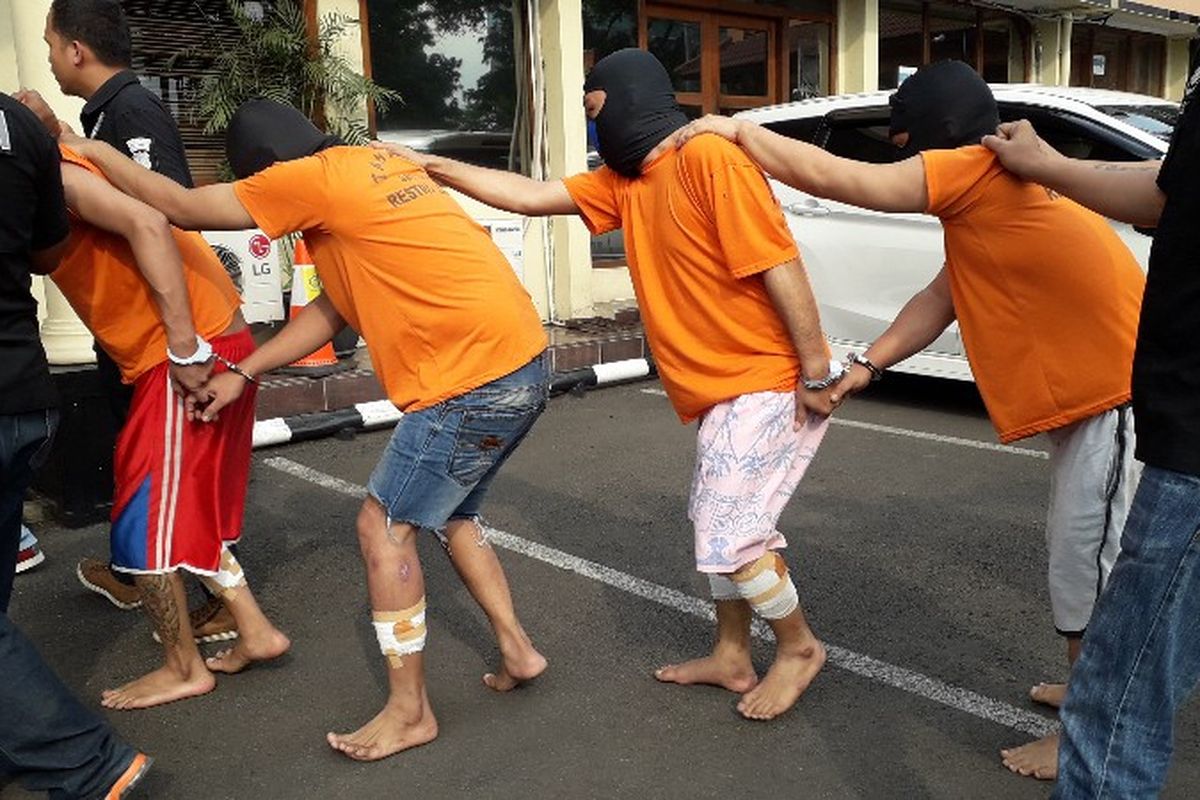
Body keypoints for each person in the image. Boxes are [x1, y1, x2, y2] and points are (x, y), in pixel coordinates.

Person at [675, 60, 1146, 778]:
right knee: (1076, 559)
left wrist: (740, 131)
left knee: (1087, 569)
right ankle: (1086, 689)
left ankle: (1089, 734)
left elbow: (847, 181)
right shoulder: (996, 199)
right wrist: (864, 370)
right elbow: (939, 299)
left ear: (937, 130)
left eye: (906, 136)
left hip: (1117, 403)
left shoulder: (974, 169)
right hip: (1096, 405)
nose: (903, 155)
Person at [67, 98, 551, 760]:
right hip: (524, 362)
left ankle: (409, 712)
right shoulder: (368, 168)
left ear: (266, 169)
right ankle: (517, 649)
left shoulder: (307, 178)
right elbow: (333, 309)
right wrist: (247, 370)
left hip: (471, 378)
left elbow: (179, 207)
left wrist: (94, 152)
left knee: (382, 528)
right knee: (453, 512)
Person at [378, 48, 842, 721]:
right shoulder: (628, 181)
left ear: (625, 98)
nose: (595, 127)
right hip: (720, 389)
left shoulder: (708, 159)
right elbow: (533, 196)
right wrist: (434, 166)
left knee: (729, 533)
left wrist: (817, 370)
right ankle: (733, 655)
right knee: (719, 528)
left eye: (594, 109)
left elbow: (780, 263)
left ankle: (797, 647)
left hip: (764, 380)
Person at [17, 93, 289, 710]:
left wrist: (185, 347)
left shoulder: (61, 176)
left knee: (141, 526)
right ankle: (255, 628)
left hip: (181, 349)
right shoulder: (72, 156)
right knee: (175, 503)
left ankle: (183, 666)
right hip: (195, 339)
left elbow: (146, 223)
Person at [983, 64, 1200, 798]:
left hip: (1136, 418)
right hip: (1140, 413)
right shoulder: (989, 220)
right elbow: (1173, 187)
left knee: (1116, 657)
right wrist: (1049, 162)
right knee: (1118, 620)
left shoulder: (1020, 213)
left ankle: (1083, 698)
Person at [43, 0, 236, 643]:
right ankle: (143, 573)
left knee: (164, 479)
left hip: (166, 331)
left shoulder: (130, 111)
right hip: (136, 330)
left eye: (50, 46)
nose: (48, 58)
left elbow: (164, 214)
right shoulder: (100, 119)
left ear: (76, 50)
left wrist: (183, 343)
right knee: (143, 469)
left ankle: (209, 608)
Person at [0, 90, 151, 800]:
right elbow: (48, 247)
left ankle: (87, 763)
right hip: (24, 394)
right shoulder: (18, 124)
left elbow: (146, 216)